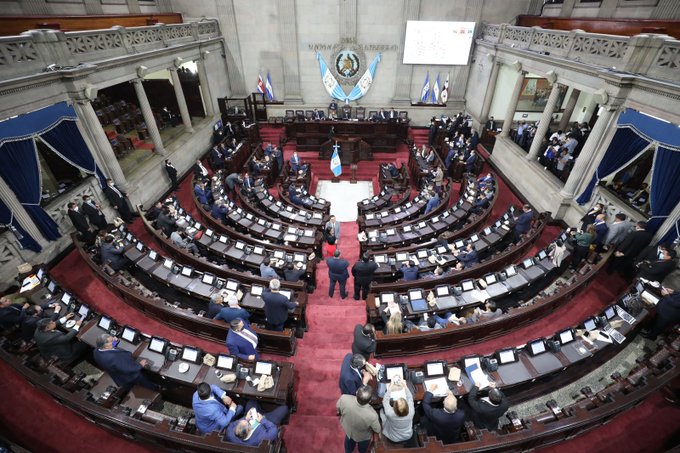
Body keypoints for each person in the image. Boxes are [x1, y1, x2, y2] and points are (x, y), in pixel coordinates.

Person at [337, 385, 381, 453]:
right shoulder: (372, 415)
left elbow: (338, 410)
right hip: (363, 437)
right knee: (362, 450)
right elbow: (377, 429)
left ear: (357, 392)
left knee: (348, 448)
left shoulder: (344, 398)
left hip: (349, 430)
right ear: (370, 401)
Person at [225, 400, 289, 446]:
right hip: (266, 422)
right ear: (249, 429)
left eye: (240, 422)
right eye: (248, 423)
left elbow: (231, 425)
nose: (246, 420)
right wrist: (262, 420)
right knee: (285, 408)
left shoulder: (231, 434)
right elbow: (274, 430)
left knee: (251, 401)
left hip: (254, 417)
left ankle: (261, 410)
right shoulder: (261, 438)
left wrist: (245, 418)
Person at [381, 376, 415, 445]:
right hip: (408, 436)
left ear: (394, 407)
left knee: (381, 412)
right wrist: (405, 385)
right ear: (407, 406)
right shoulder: (411, 412)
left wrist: (390, 386)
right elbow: (410, 398)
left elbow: (385, 401)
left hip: (393, 438)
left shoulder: (389, 413)